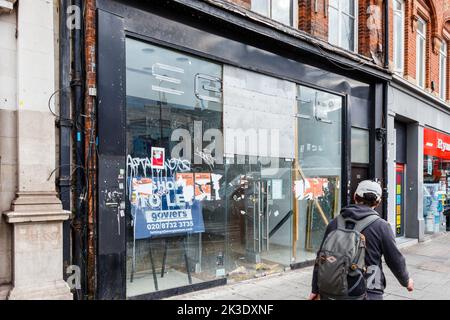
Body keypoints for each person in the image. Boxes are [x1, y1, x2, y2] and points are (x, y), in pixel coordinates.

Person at [309, 180, 414, 300]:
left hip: (333, 290)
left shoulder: (334, 223)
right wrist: (406, 281)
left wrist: (315, 289)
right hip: (369, 291)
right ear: (378, 202)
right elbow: (394, 259)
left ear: (355, 196)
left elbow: (320, 258)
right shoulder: (382, 226)